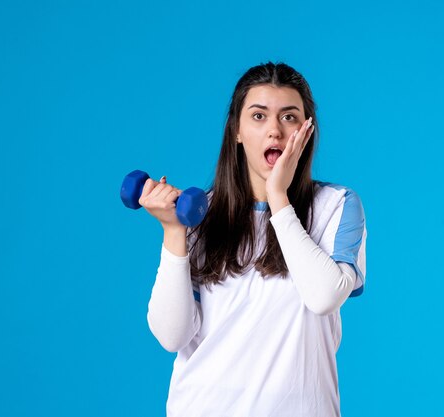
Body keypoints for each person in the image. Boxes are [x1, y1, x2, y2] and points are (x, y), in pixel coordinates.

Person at [139, 62, 367, 417]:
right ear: (237, 130)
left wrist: (278, 196)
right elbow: (173, 336)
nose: (274, 130)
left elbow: (323, 297)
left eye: (289, 117)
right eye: (259, 116)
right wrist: (173, 232)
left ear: (306, 131)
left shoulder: (335, 207)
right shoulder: (201, 213)